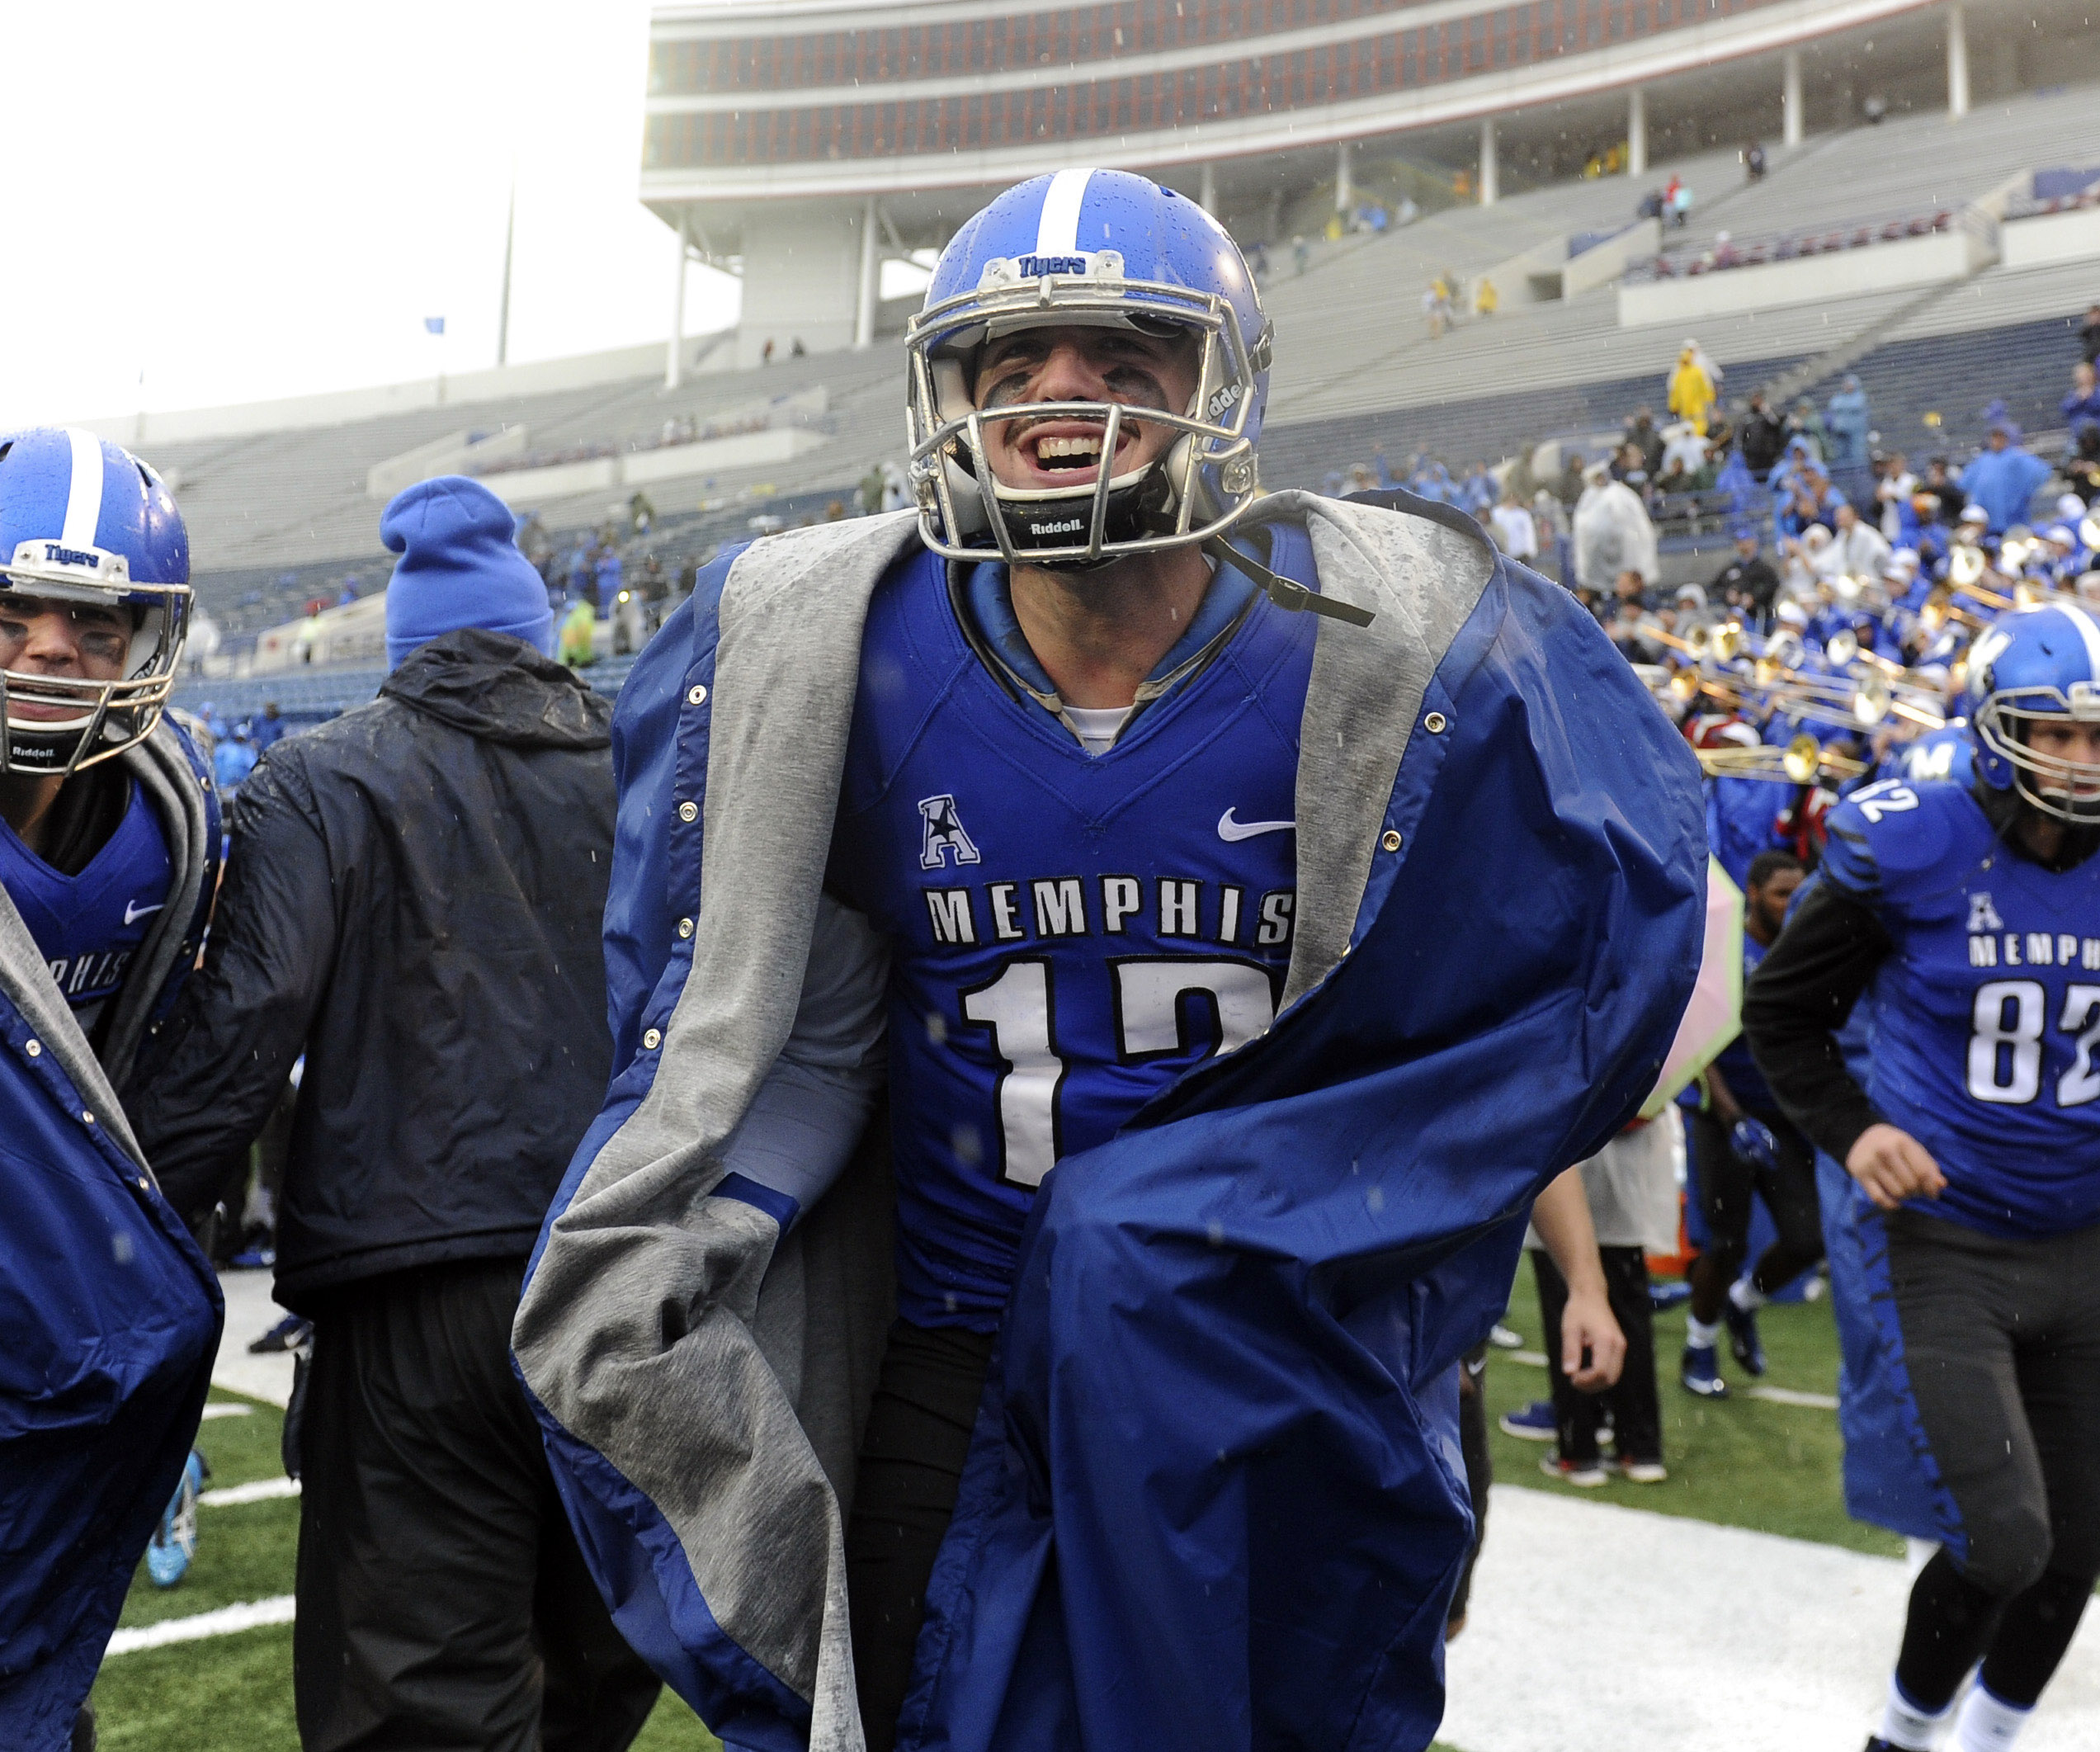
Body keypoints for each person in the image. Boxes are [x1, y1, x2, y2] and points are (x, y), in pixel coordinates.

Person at [512, 168, 1706, 1752]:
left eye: (1122, 357)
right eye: (1011, 367)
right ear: (950, 404)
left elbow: (1571, 993)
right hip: (961, 1335)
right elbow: (800, 1025)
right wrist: (715, 1205)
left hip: (1271, 1338)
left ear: (1222, 387)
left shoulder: (1366, 658)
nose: (1059, 397)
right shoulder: (852, 657)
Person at [128, 476, 660, 1752]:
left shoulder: (324, 777)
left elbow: (234, 1046)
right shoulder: (652, 760)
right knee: (588, 1688)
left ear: (403, 640)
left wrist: (119, 1252)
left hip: (416, 1301)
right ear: (535, 626)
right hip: (633, 1284)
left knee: (420, 1712)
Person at [1744, 605, 2100, 1752]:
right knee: (2004, 1539)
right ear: (1998, 733)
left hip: (2086, 1244)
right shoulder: (1913, 839)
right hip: (1951, 1240)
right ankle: (1899, 1737)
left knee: (2081, 1542)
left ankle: (1991, 1735)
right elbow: (1784, 1014)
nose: (2082, 760)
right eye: (2057, 733)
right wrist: (1851, 1130)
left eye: (2099, 737)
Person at [0, 429, 222, 1750]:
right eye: (11, 615)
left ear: (145, 638)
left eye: (87, 623)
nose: (44, 654)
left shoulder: (178, 813)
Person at [1679, 850, 1819, 1397]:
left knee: (1808, 1238)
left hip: (1783, 1112)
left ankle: (1742, 1303)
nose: (1794, 903)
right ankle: (1697, 1340)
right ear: (1755, 893)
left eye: (1798, 892)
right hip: (1724, 1113)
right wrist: (1732, 1114)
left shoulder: (1803, 945)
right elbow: (1696, 1037)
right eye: (1783, 893)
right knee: (1725, 1242)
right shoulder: (1724, 947)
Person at [1961, 421, 2054, 536]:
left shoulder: (2016, 456)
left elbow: (2042, 472)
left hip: (2013, 516)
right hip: (1987, 519)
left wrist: (2025, 493)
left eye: (2000, 437)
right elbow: (1964, 483)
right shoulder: (1982, 459)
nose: (1996, 441)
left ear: (2006, 439)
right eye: (1994, 437)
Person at [1711, 524, 1781, 619]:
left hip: (1758, 614)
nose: (1742, 545)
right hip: (1734, 614)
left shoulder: (1763, 568)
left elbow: (1772, 586)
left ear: (1754, 542)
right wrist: (1727, 595)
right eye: (1739, 542)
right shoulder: (1731, 567)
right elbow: (1716, 586)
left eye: (1745, 541)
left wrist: (1754, 597)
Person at [1668, 344, 1715, 435]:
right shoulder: (1684, 374)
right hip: (1691, 409)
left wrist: (1673, 406)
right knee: (1696, 428)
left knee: (1696, 428)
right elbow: (1675, 393)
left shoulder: (1683, 374)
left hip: (1694, 408)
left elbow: (1705, 388)